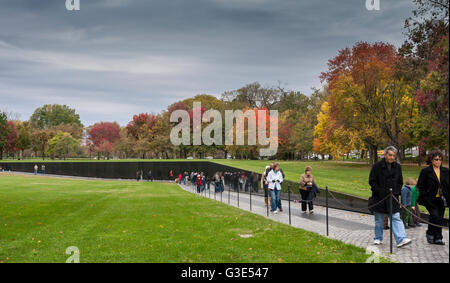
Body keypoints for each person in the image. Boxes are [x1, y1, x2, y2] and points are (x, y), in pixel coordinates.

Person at [369, 146, 411, 248]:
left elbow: (400, 181)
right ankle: (378, 238)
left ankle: (401, 239)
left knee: (396, 218)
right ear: (385, 155)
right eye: (390, 155)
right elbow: (372, 181)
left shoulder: (397, 167)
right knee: (379, 220)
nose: (392, 157)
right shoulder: (376, 166)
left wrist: (395, 192)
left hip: (393, 197)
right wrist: (379, 191)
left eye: (393, 156)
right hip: (380, 198)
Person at [417, 150, 449, 245]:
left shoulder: (446, 171)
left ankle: (438, 237)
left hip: (442, 199)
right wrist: (425, 196)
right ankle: (430, 233)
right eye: (436, 159)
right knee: (435, 216)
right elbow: (420, 185)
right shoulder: (425, 171)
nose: (438, 161)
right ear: (431, 160)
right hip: (430, 199)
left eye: (440, 159)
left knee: (439, 218)